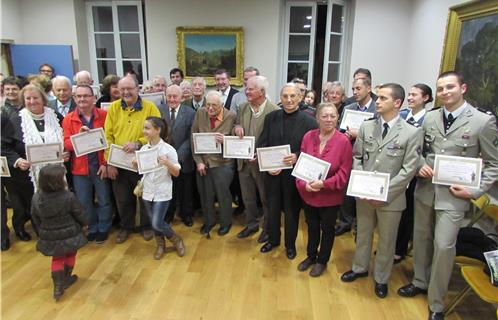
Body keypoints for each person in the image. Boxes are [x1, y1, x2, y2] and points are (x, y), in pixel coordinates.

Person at [397, 72, 498, 320]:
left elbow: (494, 164)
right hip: (426, 190)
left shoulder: (482, 121)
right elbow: (418, 149)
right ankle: (420, 281)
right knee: (421, 240)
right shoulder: (430, 118)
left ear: (463, 88)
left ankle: (437, 302)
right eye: (440, 88)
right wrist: (419, 163)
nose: (445, 92)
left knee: (444, 246)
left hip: (455, 196)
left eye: (450, 87)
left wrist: (475, 191)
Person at [340, 83, 423, 299]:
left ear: (397, 103)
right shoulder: (368, 127)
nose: (377, 101)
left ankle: (381, 278)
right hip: (364, 194)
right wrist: (359, 182)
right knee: (363, 234)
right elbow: (357, 156)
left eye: (383, 98)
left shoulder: (411, 132)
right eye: (378, 98)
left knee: (387, 240)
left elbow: (409, 169)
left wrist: (383, 192)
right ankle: (359, 268)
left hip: (391, 198)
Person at [2, 84, 68, 245]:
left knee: (54, 202)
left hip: (54, 173)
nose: (32, 101)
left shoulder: (56, 116)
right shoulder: (16, 119)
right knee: (30, 205)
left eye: (35, 98)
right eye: (28, 98)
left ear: (43, 99)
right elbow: (3, 146)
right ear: (23, 100)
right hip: (26, 173)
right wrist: (17, 160)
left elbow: (66, 139)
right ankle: (32, 230)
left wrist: (66, 152)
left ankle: (55, 230)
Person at [258, 83, 318, 259]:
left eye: (293, 96)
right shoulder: (271, 118)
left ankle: (290, 245)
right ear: (280, 98)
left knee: (292, 212)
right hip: (273, 174)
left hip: (295, 175)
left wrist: (297, 156)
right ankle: (273, 239)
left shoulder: (310, 121)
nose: (289, 100)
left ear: (300, 97)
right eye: (285, 96)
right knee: (273, 209)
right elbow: (263, 144)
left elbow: (313, 150)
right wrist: (269, 167)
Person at [296, 102, 352, 277]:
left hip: (330, 196)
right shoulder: (308, 137)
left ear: (338, 118)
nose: (329, 120)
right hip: (309, 193)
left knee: (327, 230)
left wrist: (323, 184)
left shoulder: (343, 141)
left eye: (333, 116)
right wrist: (303, 184)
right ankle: (311, 256)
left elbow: (344, 174)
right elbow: (301, 166)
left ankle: (322, 261)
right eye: (325, 116)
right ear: (317, 118)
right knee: (311, 226)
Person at [104, 75, 161, 244]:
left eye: (130, 88)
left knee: (146, 195)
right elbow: (107, 136)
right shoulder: (113, 108)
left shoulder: (150, 108)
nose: (126, 92)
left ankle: (146, 226)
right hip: (119, 163)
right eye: (122, 89)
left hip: (144, 162)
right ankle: (126, 226)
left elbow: (159, 132)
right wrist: (109, 162)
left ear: (138, 89)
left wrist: (138, 143)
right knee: (122, 198)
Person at [62, 85, 112, 244]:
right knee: (84, 201)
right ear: (75, 98)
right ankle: (92, 227)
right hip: (80, 169)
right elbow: (66, 144)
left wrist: (105, 163)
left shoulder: (105, 115)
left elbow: (109, 141)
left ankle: (104, 228)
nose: (82, 99)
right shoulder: (69, 119)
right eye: (79, 96)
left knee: (104, 199)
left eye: (86, 96)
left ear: (93, 97)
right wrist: (79, 137)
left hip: (99, 165)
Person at [31, 164, 87, 301]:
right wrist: (85, 224)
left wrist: (42, 231)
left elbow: (35, 217)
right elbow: (79, 214)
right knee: (71, 253)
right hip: (70, 233)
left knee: (57, 258)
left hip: (49, 234)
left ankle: (58, 287)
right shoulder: (68, 196)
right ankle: (67, 277)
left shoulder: (36, 198)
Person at [233, 76, 279, 242]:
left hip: (262, 164)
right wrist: (237, 127)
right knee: (248, 198)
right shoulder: (243, 107)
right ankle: (251, 224)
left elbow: (276, 140)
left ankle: (267, 228)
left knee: (266, 198)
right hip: (244, 163)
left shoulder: (274, 111)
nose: (247, 91)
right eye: (247, 88)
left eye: (251, 88)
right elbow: (237, 125)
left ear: (262, 92)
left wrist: (261, 155)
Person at [137, 117, 185, 260]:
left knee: (157, 222)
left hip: (162, 191)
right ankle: (160, 245)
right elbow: (144, 170)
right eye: (144, 128)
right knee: (153, 222)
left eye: (147, 128)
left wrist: (167, 163)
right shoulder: (144, 149)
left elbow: (176, 173)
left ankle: (176, 239)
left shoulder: (168, 150)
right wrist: (136, 164)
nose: (144, 131)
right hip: (147, 191)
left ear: (158, 130)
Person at [394, 83, 433, 263]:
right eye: (408, 94)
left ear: (425, 98)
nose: (410, 98)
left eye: (414, 95)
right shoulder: (401, 116)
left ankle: (400, 249)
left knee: (407, 211)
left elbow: (427, 148)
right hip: (396, 169)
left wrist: (420, 164)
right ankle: (391, 245)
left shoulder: (428, 120)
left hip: (416, 173)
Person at [335, 77, 378, 237]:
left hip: (368, 156)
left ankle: (361, 225)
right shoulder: (349, 107)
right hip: (349, 152)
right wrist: (345, 134)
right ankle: (345, 222)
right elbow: (340, 129)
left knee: (362, 190)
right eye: (353, 89)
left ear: (369, 89)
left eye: (358, 89)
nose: (355, 92)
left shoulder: (377, 109)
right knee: (346, 189)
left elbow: (379, 134)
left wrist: (358, 134)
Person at [192, 91, 236, 236]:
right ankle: (209, 221)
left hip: (223, 163)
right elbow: (193, 138)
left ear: (222, 105)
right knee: (205, 194)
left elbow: (238, 143)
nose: (210, 109)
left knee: (223, 195)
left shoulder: (231, 116)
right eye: (208, 105)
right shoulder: (200, 113)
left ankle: (225, 223)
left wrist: (226, 141)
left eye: (214, 106)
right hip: (204, 163)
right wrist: (199, 162)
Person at [161, 85, 196, 227]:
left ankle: (186, 215)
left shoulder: (190, 112)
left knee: (186, 189)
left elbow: (191, 137)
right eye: (169, 96)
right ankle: (168, 214)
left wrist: (176, 156)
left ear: (181, 97)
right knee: (168, 189)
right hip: (164, 158)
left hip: (183, 158)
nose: (172, 99)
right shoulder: (159, 110)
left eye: (175, 96)